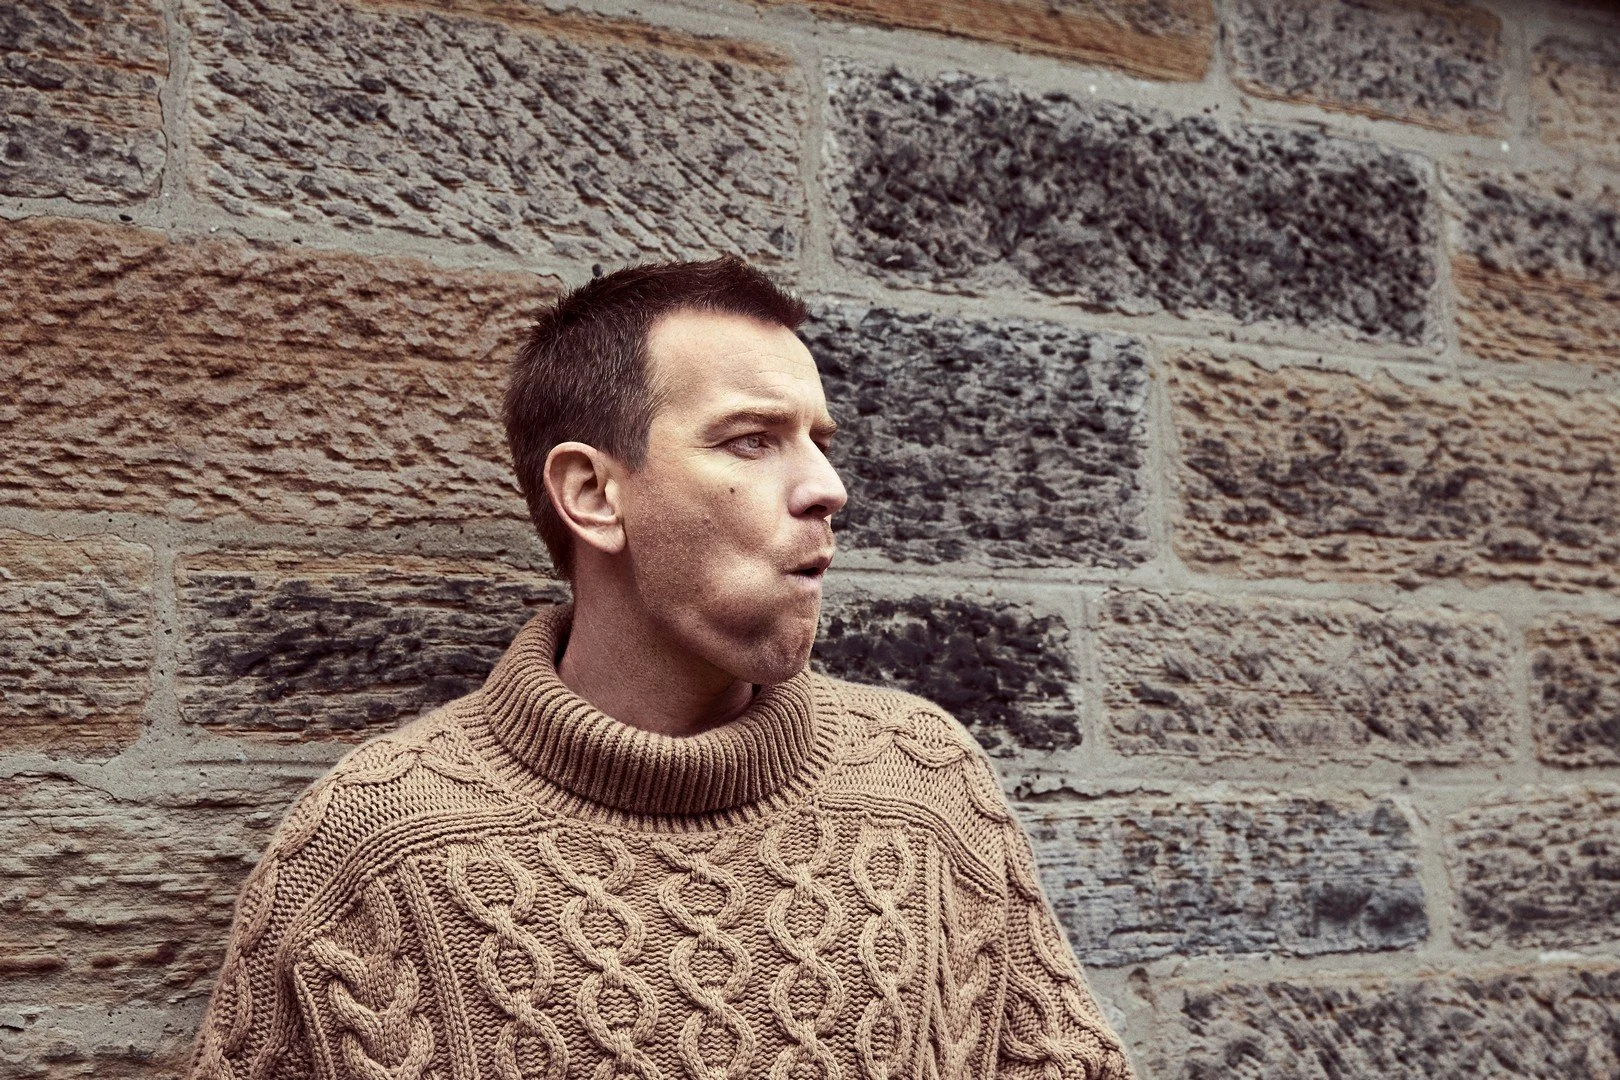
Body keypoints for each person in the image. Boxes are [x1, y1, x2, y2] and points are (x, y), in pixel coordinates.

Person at [188, 256, 1133, 1080]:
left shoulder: (925, 785)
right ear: (593, 494)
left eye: (819, 440)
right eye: (752, 440)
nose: (826, 487)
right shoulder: (378, 848)